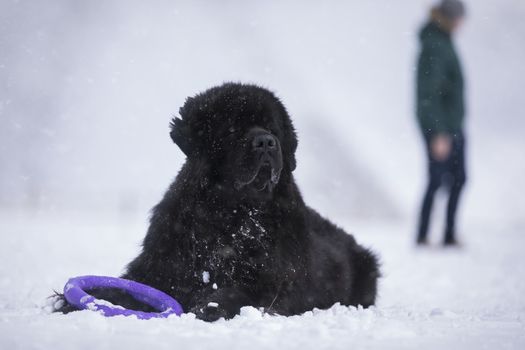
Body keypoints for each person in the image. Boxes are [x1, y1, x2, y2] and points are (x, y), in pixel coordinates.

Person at [416, 0, 467, 246]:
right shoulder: (435, 44)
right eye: (459, 18)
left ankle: (446, 233)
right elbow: (428, 94)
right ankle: (425, 235)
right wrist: (438, 132)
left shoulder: (443, 40)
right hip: (442, 128)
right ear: (449, 17)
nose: (462, 23)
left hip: (451, 125)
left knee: (456, 179)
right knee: (438, 180)